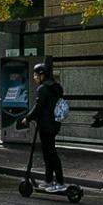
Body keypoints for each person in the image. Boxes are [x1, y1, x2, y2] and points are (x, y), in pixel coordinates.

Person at [28, 63, 67, 192]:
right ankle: (49, 180)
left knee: (50, 153)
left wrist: (27, 118)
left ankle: (60, 182)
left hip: (46, 125)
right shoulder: (55, 87)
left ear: (42, 75)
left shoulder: (43, 88)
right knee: (48, 153)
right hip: (54, 124)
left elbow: (38, 108)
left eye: (35, 74)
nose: (34, 77)